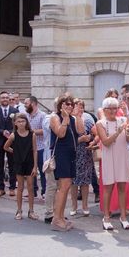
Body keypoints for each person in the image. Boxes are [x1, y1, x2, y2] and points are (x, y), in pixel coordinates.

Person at [96, 96, 129, 230]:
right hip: (109, 157)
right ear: (104, 110)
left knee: (123, 187)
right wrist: (118, 131)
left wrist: (128, 132)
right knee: (108, 188)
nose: (112, 111)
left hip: (122, 156)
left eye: (114, 108)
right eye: (109, 108)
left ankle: (123, 217)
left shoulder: (123, 120)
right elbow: (105, 142)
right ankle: (106, 217)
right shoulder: (100, 123)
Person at [50, 93, 84, 231]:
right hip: (61, 155)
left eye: (71, 104)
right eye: (66, 104)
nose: (70, 106)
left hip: (71, 154)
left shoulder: (73, 118)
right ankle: (56, 219)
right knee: (63, 187)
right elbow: (60, 133)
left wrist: (78, 115)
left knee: (67, 186)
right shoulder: (55, 117)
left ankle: (60, 216)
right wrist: (65, 119)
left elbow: (81, 131)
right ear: (60, 105)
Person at [4, 113, 38, 220]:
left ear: (26, 122)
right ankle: (19, 210)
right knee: (20, 188)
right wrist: (15, 152)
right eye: (18, 121)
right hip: (19, 163)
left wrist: (35, 166)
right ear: (15, 123)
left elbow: (35, 150)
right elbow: (6, 147)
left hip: (30, 163)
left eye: (23, 121)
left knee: (30, 187)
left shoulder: (32, 134)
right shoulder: (13, 135)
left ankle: (31, 211)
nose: (21, 123)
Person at [69, 99, 95, 217]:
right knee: (73, 182)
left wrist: (91, 139)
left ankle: (85, 206)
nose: (80, 109)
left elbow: (95, 134)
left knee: (85, 181)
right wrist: (80, 139)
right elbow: (67, 139)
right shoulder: (69, 121)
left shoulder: (88, 120)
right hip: (73, 153)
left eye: (82, 107)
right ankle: (74, 206)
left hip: (85, 154)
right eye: (78, 107)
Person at [0, 91, 18, 197]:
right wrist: (2, 131)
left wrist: (11, 133)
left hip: (11, 141)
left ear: (9, 99)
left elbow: (17, 124)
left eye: (7, 97)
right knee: (0, 165)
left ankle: (12, 187)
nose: (5, 99)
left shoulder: (14, 111)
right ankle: (1, 188)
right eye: (3, 98)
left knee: (12, 165)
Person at [25, 96, 46, 200]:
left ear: (32, 104)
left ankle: (44, 192)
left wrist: (32, 132)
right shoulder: (25, 116)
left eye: (26, 103)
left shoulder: (43, 115)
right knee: (31, 171)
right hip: (29, 148)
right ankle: (32, 191)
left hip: (41, 147)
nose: (25, 106)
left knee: (42, 171)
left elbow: (45, 130)